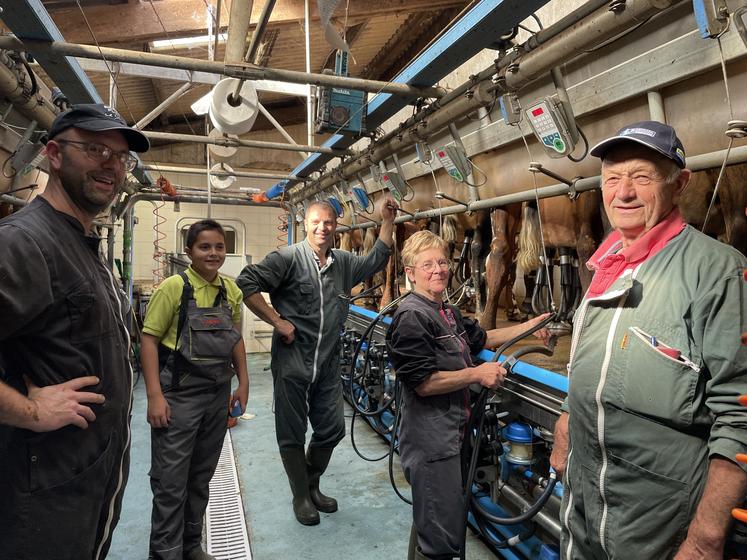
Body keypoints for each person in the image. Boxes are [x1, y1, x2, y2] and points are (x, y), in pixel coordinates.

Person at [550, 121, 747, 560]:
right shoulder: (607, 264)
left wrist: (704, 539)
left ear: (679, 185)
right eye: (612, 178)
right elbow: (590, 360)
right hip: (583, 510)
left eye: (641, 177)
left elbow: (741, 417)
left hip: (659, 524)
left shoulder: (718, 272)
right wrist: (567, 417)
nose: (624, 193)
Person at [0, 103, 149, 559]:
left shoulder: (82, 243)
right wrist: (29, 410)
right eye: (95, 148)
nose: (111, 164)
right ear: (54, 154)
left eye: (120, 156)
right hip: (42, 495)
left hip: (85, 481)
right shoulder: (23, 242)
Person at [385, 230, 551, 560]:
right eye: (427, 264)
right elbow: (424, 383)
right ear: (410, 272)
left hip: (452, 435)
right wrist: (477, 373)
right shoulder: (411, 318)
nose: (438, 270)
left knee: (434, 523)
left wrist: (529, 327)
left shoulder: (445, 312)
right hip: (432, 444)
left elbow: (482, 338)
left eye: (443, 261)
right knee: (441, 539)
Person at [236, 197, 397, 525]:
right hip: (293, 361)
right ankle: (301, 495)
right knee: (292, 433)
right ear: (305, 224)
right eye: (316, 222)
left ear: (336, 226)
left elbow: (376, 260)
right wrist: (277, 321)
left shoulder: (343, 262)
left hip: (327, 363)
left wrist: (387, 220)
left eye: (329, 222)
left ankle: (311, 483)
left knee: (332, 429)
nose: (322, 228)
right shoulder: (287, 259)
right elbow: (246, 282)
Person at [140, 219, 249, 560]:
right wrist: (155, 395)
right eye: (204, 247)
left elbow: (235, 339)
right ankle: (165, 554)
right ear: (189, 251)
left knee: (201, 478)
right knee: (171, 483)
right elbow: (148, 339)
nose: (213, 253)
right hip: (179, 397)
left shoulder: (231, 291)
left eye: (219, 247)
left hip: (217, 395)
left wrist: (243, 382)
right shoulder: (173, 288)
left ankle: (190, 546)